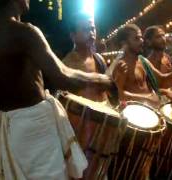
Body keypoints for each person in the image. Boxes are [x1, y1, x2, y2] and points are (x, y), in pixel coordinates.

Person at [0, 0, 113, 179]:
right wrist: (101, 79)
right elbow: (63, 76)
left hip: (10, 125)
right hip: (35, 131)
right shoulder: (25, 31)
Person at [63, 13, 115, 180]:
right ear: (72, 36)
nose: (91, 33)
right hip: (80, 131)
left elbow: (105, 91)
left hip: (101, 128)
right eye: (85, 29)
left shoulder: (99, 59)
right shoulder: (67, 64)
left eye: (92, 28)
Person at [111, 24, 172, 109]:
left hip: (152, 110)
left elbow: (162, 79)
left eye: (141, 37)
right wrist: (147, 98)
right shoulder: (122, 66)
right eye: (136, 39)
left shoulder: (143, 61)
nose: (141, 41)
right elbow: (119, 95)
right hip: (137, 114)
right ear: (124, 44)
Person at [144, 26, 172, 102]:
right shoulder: (146, 63)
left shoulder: (169, 58)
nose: (163, 39)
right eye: (158, 37)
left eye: (163, 35)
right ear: (148, 41)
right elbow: (147, 89)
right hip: (158, 103)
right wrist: (165, 92)